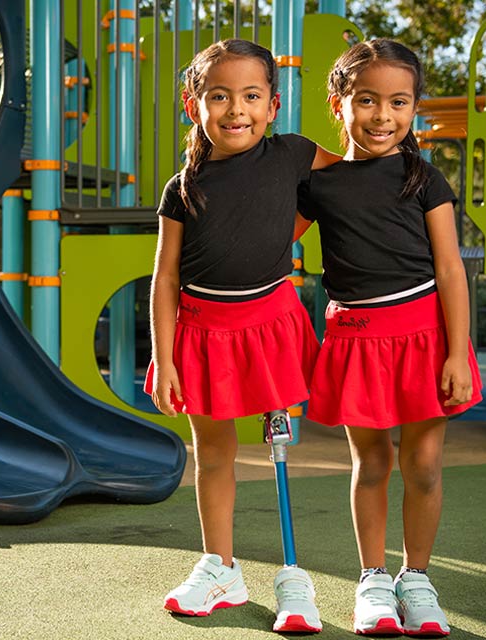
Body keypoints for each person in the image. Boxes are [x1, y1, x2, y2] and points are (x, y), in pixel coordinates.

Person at [146, 39, 337, 634]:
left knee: (278, 441)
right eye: (220, 96)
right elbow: (165, 278)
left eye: (252, 96)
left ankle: (292, 578)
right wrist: (164, 354)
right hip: (203, 330)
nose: (237, 109)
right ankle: (220, 567)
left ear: (274, 104)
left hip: (272, 321)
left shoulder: (294, 155)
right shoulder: (182, 187)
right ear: (192, 104)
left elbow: (357, 181)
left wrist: (292, 230)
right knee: (214, 453)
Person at [296, 39, 483, 637]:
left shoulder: (423, 177)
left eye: (398, 103)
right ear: (338, 103)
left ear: (414, 108)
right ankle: (374, 580)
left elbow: (451, 269)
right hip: (357, 339)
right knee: (371, 461)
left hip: (427, 335)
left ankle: (417, 579)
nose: (383, 116)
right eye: (367, 101)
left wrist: (458, 349)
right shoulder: (318, 184)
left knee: (424, 464)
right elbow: (271, 250)